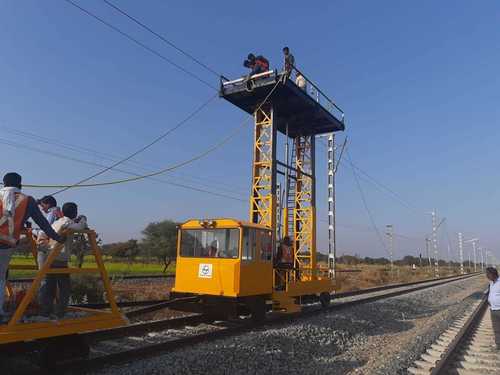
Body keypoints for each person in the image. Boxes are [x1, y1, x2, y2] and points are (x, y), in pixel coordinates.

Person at [0, 173, 64, 322]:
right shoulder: (27, 200)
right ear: (20, 185)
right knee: (1, 278)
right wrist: (57, 237)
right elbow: (43, 223)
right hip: (5, 244)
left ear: (3, 183)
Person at [40, 202, 87, 318]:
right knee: (64, 288)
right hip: (59, 259)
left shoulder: (57, 222)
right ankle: (60, 312)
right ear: (74, 213)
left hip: (49, 257)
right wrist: (83, 219)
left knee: (49, 287)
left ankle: (46, 311)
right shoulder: (67, 222)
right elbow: (80, 227)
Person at [486, 267, 500, 350]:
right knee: (496, 329)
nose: (487, 276)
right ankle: (498, 344)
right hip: (493, 309)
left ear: (494, 274)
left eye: (488, 274)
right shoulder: (491, 283)